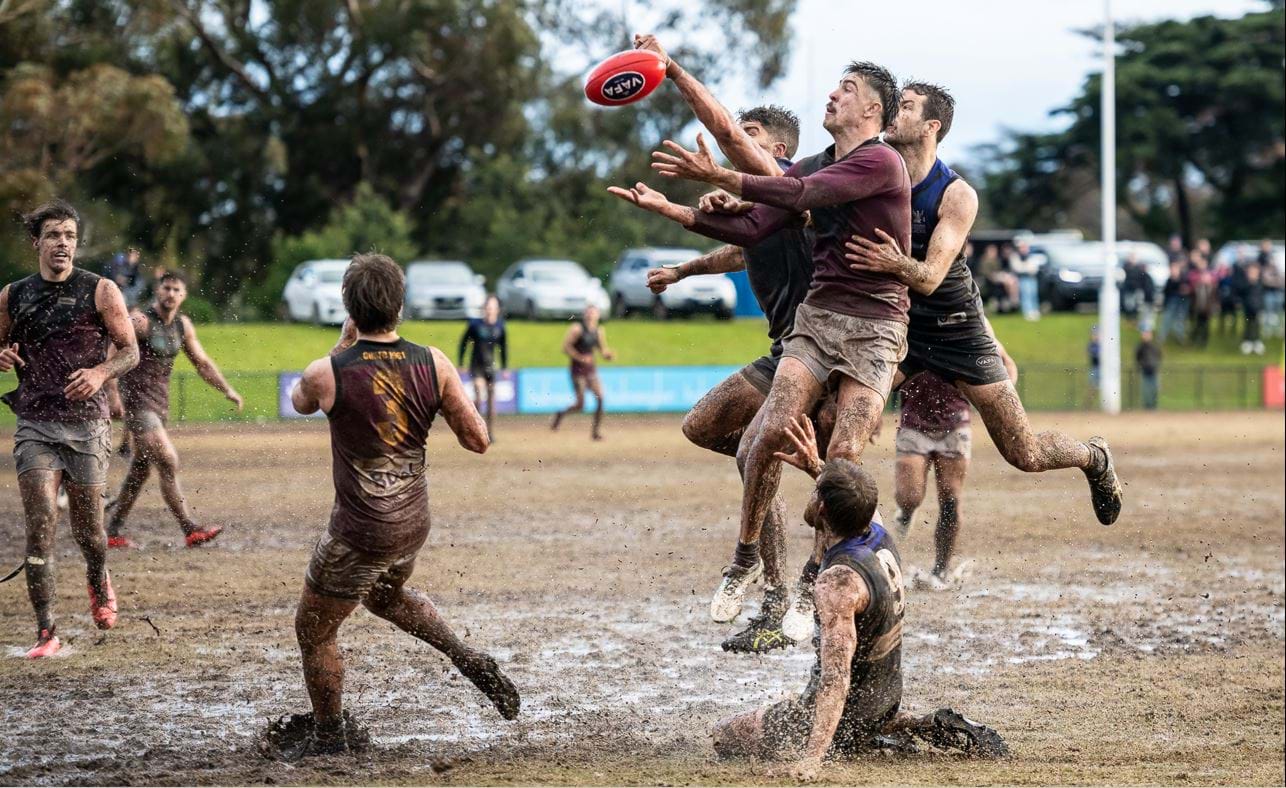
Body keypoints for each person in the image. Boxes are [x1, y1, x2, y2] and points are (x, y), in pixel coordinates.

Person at [610, 61, 912, 622]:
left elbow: (798, 190)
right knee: (763, 436)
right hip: (817, 320)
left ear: (872, 109)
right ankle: (746, 558)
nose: (831, 93)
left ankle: (809, 579)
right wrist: (674, 212)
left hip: (876, 328)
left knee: (843, 459)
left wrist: (717, 178)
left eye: (846, 89)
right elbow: (750, 234)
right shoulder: (814, 167)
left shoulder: (878, 160)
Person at [829, 81, 1120, 637]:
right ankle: (846, 556)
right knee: (843, 425)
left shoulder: (955, 193)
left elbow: (933, 275)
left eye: (907, 107)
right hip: (899, 328)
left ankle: (1093, 457)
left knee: (1025, 452)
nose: (895, 113)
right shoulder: (874, 168)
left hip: (958, 326)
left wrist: (893, 262)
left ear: (933, 125)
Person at [287, 254, 519, 756]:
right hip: (412, 522)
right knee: (384, 597)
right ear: (400, 306)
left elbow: (300, 402)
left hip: (360, 530)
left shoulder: (327, 371)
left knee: (313, 629)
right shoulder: (433, 362)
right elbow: (478, 440)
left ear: (348, 306)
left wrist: (343, 345)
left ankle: (330, 737)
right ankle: (465, 654)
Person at [633, 33, 814, 650]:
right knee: (706, 429)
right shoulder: (758, 209)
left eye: (748, 136)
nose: (735, 141)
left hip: (822, 355)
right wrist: (683, 271)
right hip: (784, 350)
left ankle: (786, 604)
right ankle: (774, 573)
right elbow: (742, 250)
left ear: (778, 151)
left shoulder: (796, 192)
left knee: (756, 458)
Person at [711, 415, 1007, 780]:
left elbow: (836, 679)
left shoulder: (838, 584)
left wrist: (813, 758)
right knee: (854, 701)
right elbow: (850, 497)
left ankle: (868, 739)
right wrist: (817, 467)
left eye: (817, 492)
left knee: (724, 738)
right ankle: (901, 725)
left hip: (850, 712)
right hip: (886, 693)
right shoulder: (878, 534)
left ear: (821, 511)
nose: (813, 492)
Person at [0, 199, 140, 659]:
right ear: (36, 242)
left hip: (87, 424)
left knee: (89, 532)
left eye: (70, 236)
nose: (63, 244)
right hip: (35, 423)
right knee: (40, 523)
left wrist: (101, 373)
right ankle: (47, 631)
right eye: (55, 235)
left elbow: (129, 351)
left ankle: (98, 575)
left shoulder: (100, 290)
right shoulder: (12, 295)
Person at [102, 271, 242, 549]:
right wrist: (113, 392)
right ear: (157, 289)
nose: (171, 294)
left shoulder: (182, 325)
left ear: (184, 295)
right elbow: (111, 349)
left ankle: (113, 532)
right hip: (138, 405)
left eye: (177, 290)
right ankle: (190, 529)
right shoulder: (141, 321)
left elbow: (202, 362)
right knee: (167, 459)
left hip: (159, 406)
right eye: (166, 288)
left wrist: (227, 390)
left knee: (141, 468)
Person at [892, 372, 974, 591]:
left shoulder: (975, 335)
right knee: (909, 495)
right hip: (914, 424)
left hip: (955, 424)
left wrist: (998, 397)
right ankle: (907, 510)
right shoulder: (907, 336)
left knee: (951, 500)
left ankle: (941, 568)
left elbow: (1004, 364)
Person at [550, 304, 615, 440]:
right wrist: (580, 358)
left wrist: (608, 355)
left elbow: (603, 350)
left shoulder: (599, 331)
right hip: (577, 371)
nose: (591, 316)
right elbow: (565, 347)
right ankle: (560, 415)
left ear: (598, 315)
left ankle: (595, 432)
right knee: (580, 405)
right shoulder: (577, 329)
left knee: (601, 398)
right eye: (589, 313)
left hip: (591, 370)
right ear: (585, 315)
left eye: (594, 313)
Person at [457, 294, 508, 439]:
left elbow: (503, 348)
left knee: (492, 401)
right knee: (479, 396)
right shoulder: (475, 325)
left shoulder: (500, 326)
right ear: (484, 309)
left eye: (493, 308)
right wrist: (461, 363)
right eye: (488, 307)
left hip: (491, 367)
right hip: (476, 366)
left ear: (497, 310)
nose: (490, 310)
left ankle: (490, 433)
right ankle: (476, 430)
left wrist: (504, 367)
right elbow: (463, 343)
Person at [1006, 239, 1043, 321]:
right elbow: (1017, 268)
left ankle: (1035, 311)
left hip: (1031, 278)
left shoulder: (1032, 256)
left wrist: (1025, 267)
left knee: (1033, 294)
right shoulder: (1015, 256)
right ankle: (1028, 312)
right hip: (1022, 278)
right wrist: (1026, 268)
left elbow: (1034, 269)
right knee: (1025, 295)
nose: (1023, 249)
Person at [1187, 252, 1216, 348]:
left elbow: (1215, 284)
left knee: (1205, 325)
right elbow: (1191, 285)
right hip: (1197, 305)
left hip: (1207, 306)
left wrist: (1209, 282)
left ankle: (1203, 342)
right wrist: (1199, 281)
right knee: (1197, 323)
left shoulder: (1211, 274)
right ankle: (1194, 339)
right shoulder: (1194, 274)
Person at [1159, 260, 1190, 344]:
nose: (1173, 270)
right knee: (1166, 321)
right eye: (1172, 269)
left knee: (1179, 322)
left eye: (1175, 269)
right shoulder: (1169, 280)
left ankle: (1181, 340)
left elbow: (1187, 294)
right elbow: (1166, 293)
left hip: (1180, 306)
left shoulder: (1183, 279)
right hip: (1170, 305)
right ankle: (1161, 339)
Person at [1241, 263, 1265, 355]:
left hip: (1257, 308)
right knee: (1248, 325)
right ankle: (1247, 342)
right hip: (1248, 308)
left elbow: (1261, 296)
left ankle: (1256, 342)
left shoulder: (1260, 283)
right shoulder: (1245, 283)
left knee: (1257, 325)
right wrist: (1250, 283)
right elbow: (1242, 292)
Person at [1135, 330, 1162, 409]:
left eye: (1148, 335)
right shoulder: (1140, 347)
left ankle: (1153, 406)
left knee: (1155, 389)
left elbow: (1159, 356)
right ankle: (1147, 406)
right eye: (1144, 335)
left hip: (1154, 370)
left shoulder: (1154, 346)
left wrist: (1157, 366)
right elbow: (1137, 358)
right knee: (1146, 390)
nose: (1146, 336)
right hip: (1145, 371)